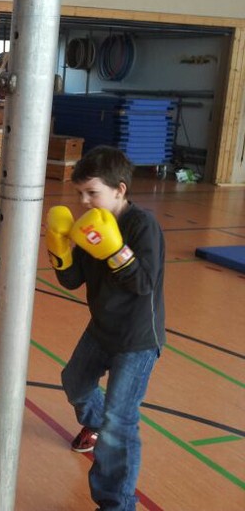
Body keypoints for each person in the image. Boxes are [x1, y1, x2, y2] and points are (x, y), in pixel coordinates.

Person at [44, 145, 165, 511]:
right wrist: (60, 251)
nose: (84, 201)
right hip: (101, 328)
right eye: (80, 193)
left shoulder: (142, 225)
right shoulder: (90, 224)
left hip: (136, 338)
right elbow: (72, 280)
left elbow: (143, 283)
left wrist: (113, 250)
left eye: (91, 192)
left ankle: (117, 504)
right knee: (75, 382)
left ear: (119, 189)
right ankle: (94, 424)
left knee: (120, 421)